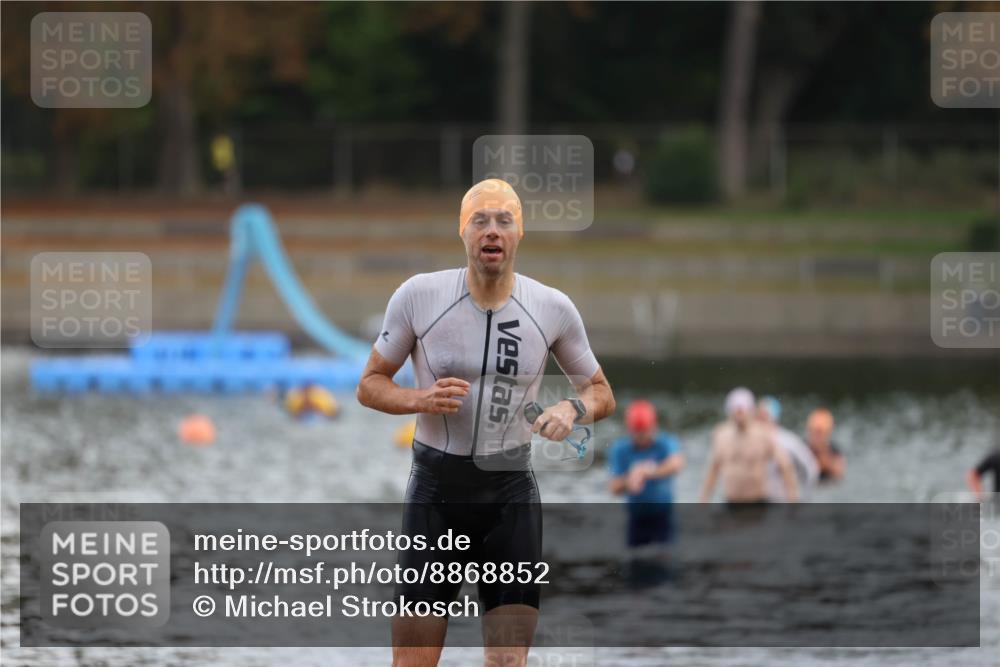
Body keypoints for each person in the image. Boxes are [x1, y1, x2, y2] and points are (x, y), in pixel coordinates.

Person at [356, 178, 616, 667]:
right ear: (462, 231)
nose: (491, 230)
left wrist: (570, 409)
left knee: (507, 662)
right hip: (435, 497)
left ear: (519, 234)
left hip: (509, 499)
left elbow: (601, 391)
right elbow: (370, 383)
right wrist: (419, 398)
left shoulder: (551, 308)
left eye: (503, 220)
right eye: (480, 220)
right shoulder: (419, 296)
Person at [699, 388, 799, 505]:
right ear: (729, 411)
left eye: (742, 410)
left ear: (750, 410)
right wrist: (703, 501)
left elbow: (785, 466)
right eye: (736, 410)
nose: (739, 414)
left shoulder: (762, 434)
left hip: (757, 502)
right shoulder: (721, 435)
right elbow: (713, 470)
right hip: (731, 502)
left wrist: (793, 500)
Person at [608, 400, 685, 547]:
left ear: (653, 426)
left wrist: (647, 472)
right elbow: (613, 487)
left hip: (663, 516)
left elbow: (677, 464)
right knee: (635, 561)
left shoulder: (665, 442)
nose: (642, 437)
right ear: (630, 430)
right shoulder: (620, 449)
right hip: (636, 518)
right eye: (638, 433)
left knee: (666, 558)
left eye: (645, 432)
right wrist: (629, 480)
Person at [757, 396, 819, 502]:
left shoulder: (788, 441)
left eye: (764, 415)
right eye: (759, 415)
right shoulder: (751, 441)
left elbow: (811, 468)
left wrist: (806, 496)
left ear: (774, 417)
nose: (760, 419)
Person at [805, 408, 846, 482]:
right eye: (815, 432)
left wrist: (822, 451)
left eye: (821, 433)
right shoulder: (802, 448)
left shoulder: (834, 450)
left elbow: (839, 473)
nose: (818, 437)